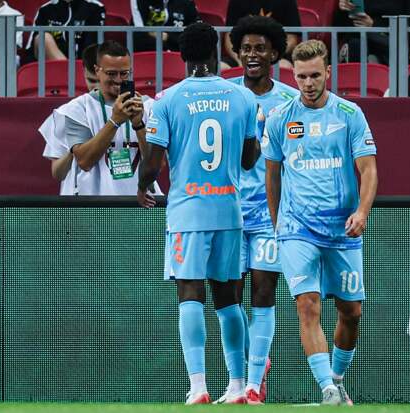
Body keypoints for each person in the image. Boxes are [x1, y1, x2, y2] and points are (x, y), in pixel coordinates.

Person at [136, 22, 260, 405]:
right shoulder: (242, 97)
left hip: (188, 211)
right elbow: (250, 158)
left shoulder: (167, 101)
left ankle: (198, 386)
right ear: (217, 52)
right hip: (229, 210)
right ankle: (237, 385)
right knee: (228, 297)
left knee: (190, 292)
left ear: (182, 56)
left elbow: (152, 163)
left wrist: (142, 185)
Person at [263, 40, 378, 405]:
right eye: (301, 77)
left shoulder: (349, 114)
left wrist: (362, 212)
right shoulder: (280, 118)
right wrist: (278, 223)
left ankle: (338, 379)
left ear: (328, 72)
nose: (308, 83)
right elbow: (272, 175)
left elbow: (368, 170)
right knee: (307, 305)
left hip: (343, 229)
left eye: (314, 75)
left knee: (352, 313)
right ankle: (327, 389)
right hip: (297, 228)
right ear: (293, 76)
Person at [227, 15, 298, 405]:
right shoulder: (225, 96)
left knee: (264, 291)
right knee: (231, 297)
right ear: (237, 53)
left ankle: (252, 385)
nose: (252, 54)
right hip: (229, 211)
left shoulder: (289, 102)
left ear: (274, 53)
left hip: (270, 213)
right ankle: (247, 368)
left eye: (260, 48)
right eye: (246, 48)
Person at [63, 40, 160, 195]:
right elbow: (84, 162)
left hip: (141, 202)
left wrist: (139, 125)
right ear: (97, 71)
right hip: (97, 202)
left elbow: (157, 164)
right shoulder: (78, 108)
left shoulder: (150, 106)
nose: (118, 80)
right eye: (111, 73)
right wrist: (114, 121)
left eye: (124, 73)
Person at [39, 43, 99, 195]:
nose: (97, 88)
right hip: (79, 200)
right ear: (84, 73)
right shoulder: (67, 113)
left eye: (101, 81)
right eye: (92, 81)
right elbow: (58, 173)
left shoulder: (135, 110)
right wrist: (75, 150)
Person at [335, 0, 410, 65]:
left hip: (392, 38)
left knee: (394, 48)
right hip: (358, 36)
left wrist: (374, 25)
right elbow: (339, 25)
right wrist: (342, 9)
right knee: (355, 44)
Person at [224, 0, 301, 68]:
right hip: (242, 54)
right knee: (222, 67)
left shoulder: (287, 1)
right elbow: (229, 37)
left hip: (276, 56)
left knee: (284, 66)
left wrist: (273, 56)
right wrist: (239, 59)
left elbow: (292, 39)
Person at [27, 0, 105, 61]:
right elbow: (31, 50)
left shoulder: (95, 7)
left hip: (81, 66)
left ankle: (69, 73)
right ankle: (68, 73)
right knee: (43, 37)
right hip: (47, 68)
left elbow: (91, 49)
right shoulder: (45, 9)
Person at [131, 0, 200, 52]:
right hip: (149, 52)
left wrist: (167, 37)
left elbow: (197, 34)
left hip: (179, 52)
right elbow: (139, 32)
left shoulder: (187, 3)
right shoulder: (141, 1)